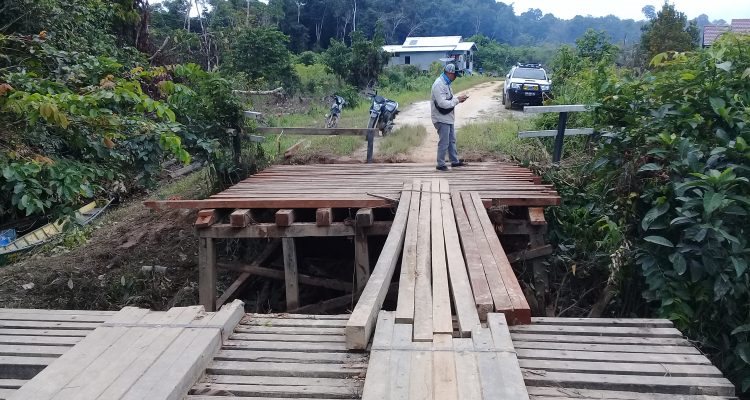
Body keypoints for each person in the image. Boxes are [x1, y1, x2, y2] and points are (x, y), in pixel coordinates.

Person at [431, 63, 468, 171]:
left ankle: (454, 161)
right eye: (455, 75)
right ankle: (441, 164)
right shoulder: (439, 84)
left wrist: (458, 99)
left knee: (451, 140)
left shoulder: (446, 83)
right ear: (449, 73)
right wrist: (457, 100)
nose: (456, 77)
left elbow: (449, 99)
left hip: (447, 117)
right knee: (444, 141)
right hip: (441, 117)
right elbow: (442, 103)